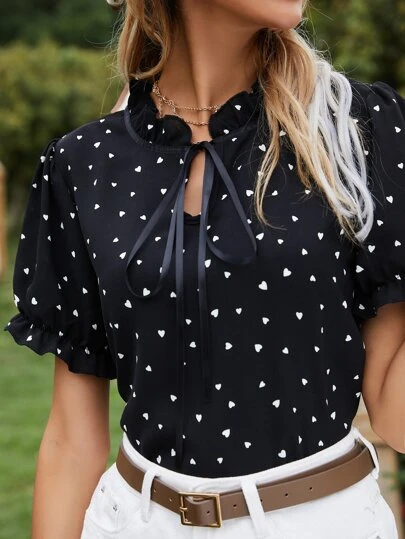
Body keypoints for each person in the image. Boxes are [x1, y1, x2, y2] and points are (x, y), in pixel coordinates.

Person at [3, 0, 405, 537]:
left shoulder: (359, 131)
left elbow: (395, 417)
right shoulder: (83, 163)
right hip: (133, 521)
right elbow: (72, 441)